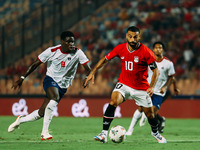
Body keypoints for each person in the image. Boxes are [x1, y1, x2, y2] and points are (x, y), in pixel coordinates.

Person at [84, 26, 167, 143]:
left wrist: (151, 86)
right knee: (113, 101)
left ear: (139, 37)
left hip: (141, 88)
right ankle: (103, 134)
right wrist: (92, 72)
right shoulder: (120, 48)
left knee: (150, 115)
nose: (132, 39)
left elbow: (155, 71)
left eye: (135, 37)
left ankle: (155, 133)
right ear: (126, 36)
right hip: (124, 84)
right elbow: (105, 59)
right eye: (130, 36)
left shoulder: (146, 52)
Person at [8, 31, 92, 140]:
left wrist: (87, 77)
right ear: (62, 42)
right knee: (54, 97)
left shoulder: (78, 52)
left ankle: (20, 120)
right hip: (50, 79)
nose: (71, 44)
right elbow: (35, 64)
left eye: (72, 42)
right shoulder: (52, 51)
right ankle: (44, 132)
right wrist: (23, 77)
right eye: (68, 42)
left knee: (41, 113)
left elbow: (88, 69)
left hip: (63, 85)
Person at [126, 41, 180, 136]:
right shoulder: (148, 60)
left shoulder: (168, 63)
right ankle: (130, 130)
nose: (158, 49)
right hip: (147, 88)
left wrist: (167, 87)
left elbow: (172, 77)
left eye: (160, 48)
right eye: (156, 47)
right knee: (140, 108)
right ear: (153, 49)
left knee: (153, 112)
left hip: (159, 92)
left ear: (163, 50)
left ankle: (152, 126)